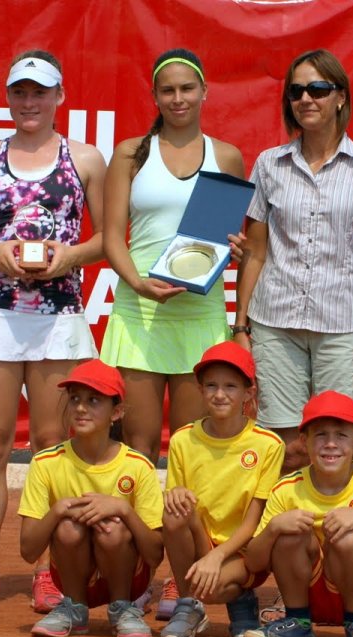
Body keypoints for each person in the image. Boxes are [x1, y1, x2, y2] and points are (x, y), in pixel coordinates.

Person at [0, 50, 107, 614]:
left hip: (59, 315)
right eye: (20, 92)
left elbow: (108, 239)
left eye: (40, 92)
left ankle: (45, 570)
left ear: (59, 96)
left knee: (49, 446)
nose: (29, 102)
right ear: (9, 96)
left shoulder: (85, 158)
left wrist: (68, 257)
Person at [230, 49, 353, 473]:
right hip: (274, 325)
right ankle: (289, 538)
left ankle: (335, 537)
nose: (307, 99)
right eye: (297, 91)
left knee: (336, 445)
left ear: (340, 96)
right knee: (285, 451)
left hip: (343, 328)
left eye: (318, 89)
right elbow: (256, 251)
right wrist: (241, 326)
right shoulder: (270, 164)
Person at [100, 48, 246, 463]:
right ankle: (140, 529)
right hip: (139, 312)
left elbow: (233, 238)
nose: (178, 98)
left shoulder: (228, 157)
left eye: (187, 88)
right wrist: (138, 284)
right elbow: (111, 237)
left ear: (204, 92)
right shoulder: (129, 154)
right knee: (137, 449)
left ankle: (183, 532)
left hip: (200, 314)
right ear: (155, 95)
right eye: (168, 90)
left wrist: (236, 250)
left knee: (190, 449)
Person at [17, 359, 164, 637]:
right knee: (67, 527)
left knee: (113, 529)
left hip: (128, 575)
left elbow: (155, 554)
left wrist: (123, 510)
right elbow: (28, 551)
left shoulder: (137, 465)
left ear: (117, 412)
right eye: (74, 399)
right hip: (71, 570)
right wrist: (58, 510)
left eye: (94, 400)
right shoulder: (46, 462)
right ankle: (74, 607)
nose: (81, 408)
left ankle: (123, 607)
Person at [242, 391, 353, 637]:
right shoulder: (287, 488)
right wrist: (273, 528)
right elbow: (254, 562)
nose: (331, 444)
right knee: (290, 533)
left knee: (348, 536)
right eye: (321, 435)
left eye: (341, 435)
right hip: (306, 592)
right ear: (304, 441)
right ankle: (297, 622)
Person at [158, 341, 285, 637]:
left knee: (212, 588)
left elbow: (253, 523)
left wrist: (216, 558)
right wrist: (175, 497)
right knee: (174, 513)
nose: (219, 394)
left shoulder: (269, 444)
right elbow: (180, 504)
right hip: (200, 540)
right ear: (200, 390)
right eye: (211, 385)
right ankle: (188, 606)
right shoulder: (182, 439)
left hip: (242, 551)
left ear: (248, 392)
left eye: (230, 386)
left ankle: (240, 599)